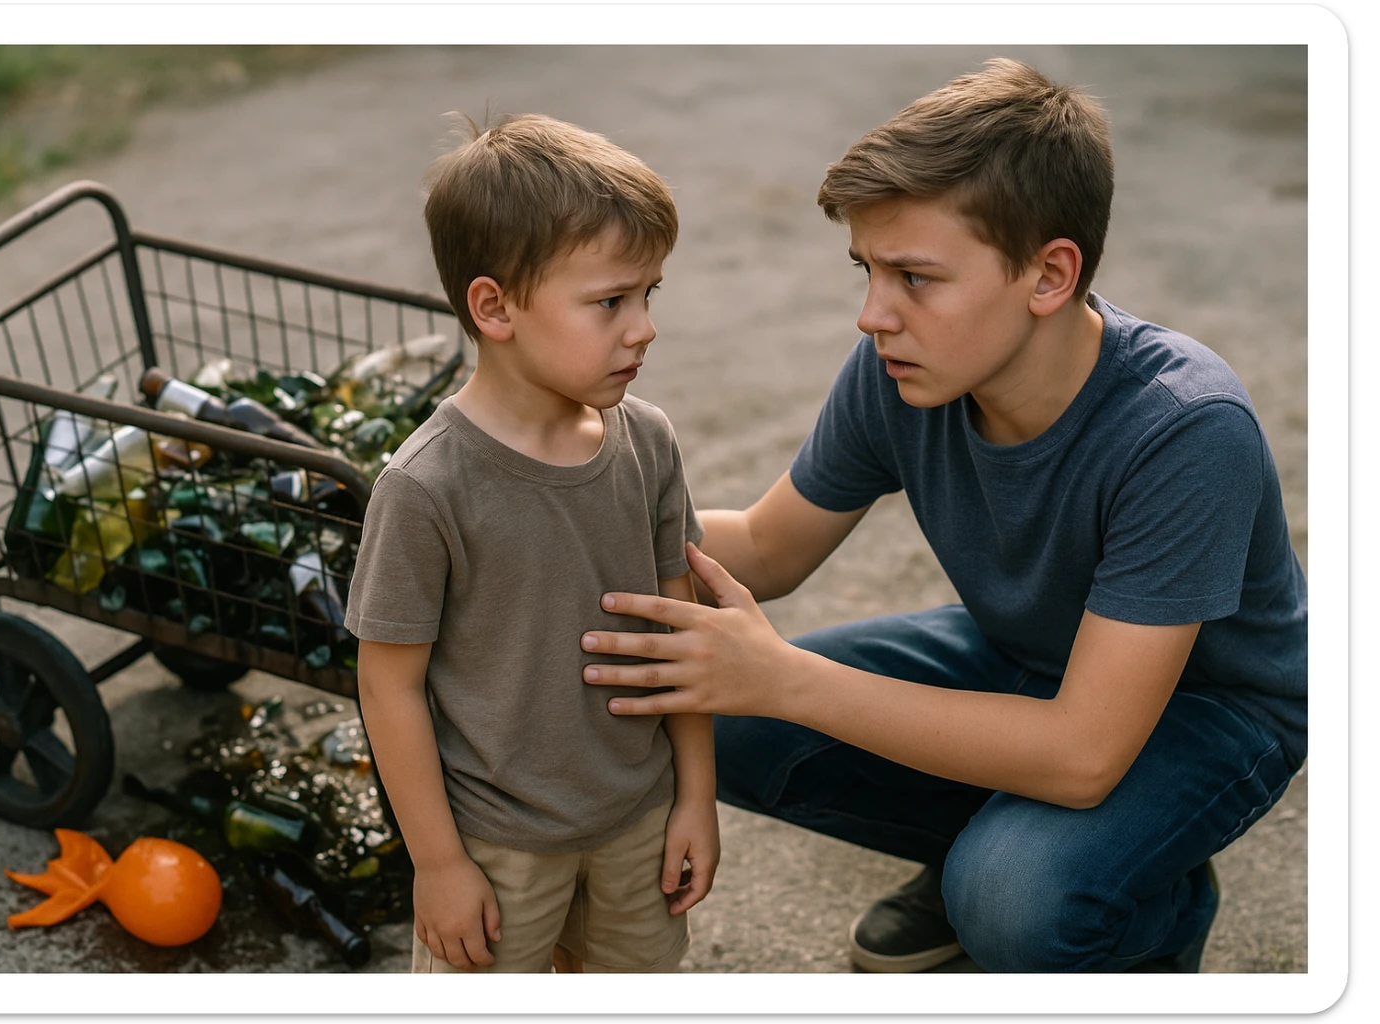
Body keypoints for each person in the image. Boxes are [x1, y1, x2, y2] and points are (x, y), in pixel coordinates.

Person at [578, 58, 1307, 974]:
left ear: (1049, 276)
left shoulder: (1185, 429)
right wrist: (557, 518)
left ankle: (1130, 902)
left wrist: (784, 679)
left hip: (1209, 710)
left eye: (915, 277)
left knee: (1014, 896)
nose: (872, 315)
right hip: (1026, 654)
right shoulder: (902, 371)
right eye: (867, 270)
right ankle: (1008, 840)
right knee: (709, 714)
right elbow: (767, 545)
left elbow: (1084, 753)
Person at [346, 112, 717, 974]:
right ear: (495, 307)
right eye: (610, 301)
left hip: (637, 821)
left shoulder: (647, 442)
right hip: (495, 844)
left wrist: (695, 796)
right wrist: (438, 864)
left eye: (649, 294)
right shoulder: (426, 487)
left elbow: (682, 635)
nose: (645, 327)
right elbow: (389, 686)